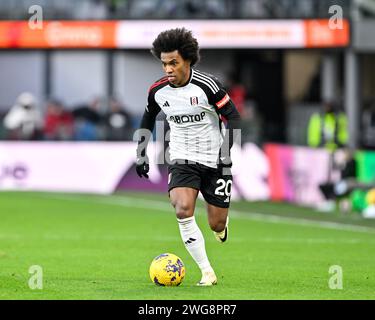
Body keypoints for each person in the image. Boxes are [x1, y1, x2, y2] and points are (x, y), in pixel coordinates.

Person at [135, 28, 241, 286]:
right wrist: (141, 153)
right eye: (164, 63)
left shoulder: (208, 86)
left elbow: (234, 117)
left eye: (174, 62)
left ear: (188, 60)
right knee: (182, 209)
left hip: (216, 161)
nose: (168, 69)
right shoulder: (158, 91)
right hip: (182, 157)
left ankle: (222, 228)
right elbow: (148, 118)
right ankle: (207, 272)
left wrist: (226, 153)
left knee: (216, 224)